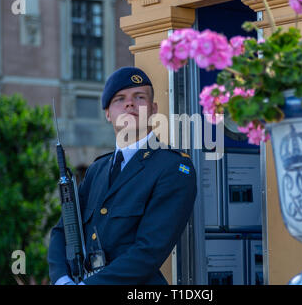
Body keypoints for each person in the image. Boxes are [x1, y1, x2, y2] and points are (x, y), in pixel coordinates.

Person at [48, 67, 197, 285]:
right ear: (108, 113)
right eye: (120, 99)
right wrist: (62, 280)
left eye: (139, 97)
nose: (130, 104)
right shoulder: (97, 170)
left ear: (153, 109)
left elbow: (149, 252)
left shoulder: (174, 168)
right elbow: (62, 231)